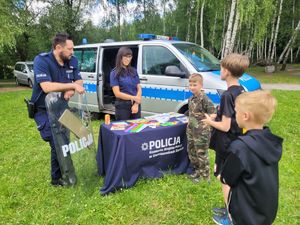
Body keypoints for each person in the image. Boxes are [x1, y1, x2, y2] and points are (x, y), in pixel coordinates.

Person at [214, 90, 283, 225]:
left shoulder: (240, 147)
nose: (235, 115)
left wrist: (219, 172)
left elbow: (228, 178)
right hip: (266, 211)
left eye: (236, 112)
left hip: (245, 213)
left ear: (245, 116)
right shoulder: (270, 141)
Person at [31, 32, 85, 186]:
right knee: (57, 142)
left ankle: (58, 176)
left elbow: (79, 80)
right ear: (58, 47)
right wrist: (72, 85)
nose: (72, 52)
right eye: (69, 49)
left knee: (64, 141)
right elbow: (47, 87)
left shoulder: (72, 60)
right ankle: (60, 177)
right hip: (43, 110)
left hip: (61, 107)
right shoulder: (41, 60)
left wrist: (72, 89)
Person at [201, 53, 249, 221]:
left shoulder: (227, 94)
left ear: (227, 71)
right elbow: (236, 118)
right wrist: (218, 115)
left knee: (225, 179)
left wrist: (209, 121)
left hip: (226, 144)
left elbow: (225, 126)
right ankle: (232, 209)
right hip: (238, 142)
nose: (219, 70)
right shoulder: (242, 89)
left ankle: (230, 217)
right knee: (234, 178)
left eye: (221, 67)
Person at [186, 73, 215, 183]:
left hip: (201, 132)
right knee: (192, 151)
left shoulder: (205, 99)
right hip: (191, 130)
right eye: (190, 85)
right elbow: (192, 113)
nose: (192, 87)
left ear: (201, 85)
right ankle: (198, 172)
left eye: (195, 85)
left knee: (201, 153)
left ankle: (205, 177)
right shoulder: (191, 99)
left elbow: (213, 114)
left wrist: (206, 123)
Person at [110, 47, 142, 120]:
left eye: (129, 57)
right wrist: (134, 98)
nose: (128, 59)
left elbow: (139, 87)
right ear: (120, 57)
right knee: (123, 129)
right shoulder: (114, 73)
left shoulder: (133, 71)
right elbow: (117, 93)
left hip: (135, 105)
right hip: (122, 107)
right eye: (125, 56)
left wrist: (136, 104)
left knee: (136, 128)